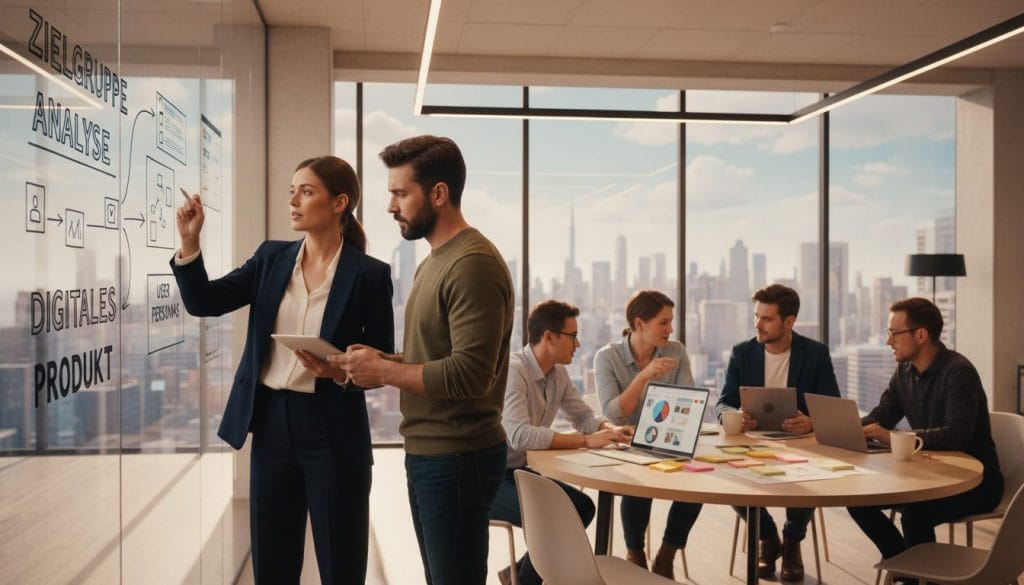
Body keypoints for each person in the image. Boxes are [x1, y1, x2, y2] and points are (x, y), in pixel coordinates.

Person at [171, 156, 394, 585]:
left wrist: (340, 371)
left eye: (306, 191)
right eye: (292, 189)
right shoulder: (271, 258)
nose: (293, 199)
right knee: (272, 564)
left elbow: (380, 360)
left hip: (333, 429)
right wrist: (189, 242)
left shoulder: (370, 275)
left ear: (338, 203)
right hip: (271, 422)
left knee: (341, 565)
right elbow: (204, 302)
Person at [336, 135, 515, 585]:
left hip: (458, 456)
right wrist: (373, 362)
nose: (390, 206)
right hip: (432, 452)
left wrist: (384, 371)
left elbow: (471, 374)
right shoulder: (434, 261)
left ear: (438, 193)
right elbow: (432, 358)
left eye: (400, 193)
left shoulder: (472, 264)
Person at [847, 297, 1003, 566]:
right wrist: (843, 427)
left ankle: (919, 576)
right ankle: (909, 572)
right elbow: (882, 416)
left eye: (893, 333)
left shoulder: (958, 372)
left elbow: (956, 435)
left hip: (976, 483)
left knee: (915, 516)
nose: (888, 341)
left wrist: (892, 437)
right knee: (856, 500)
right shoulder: (904, 371)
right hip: (926, 476)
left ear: (921, 334)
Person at [490, 300, 633, 585]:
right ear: (548, 337)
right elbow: (519, 435)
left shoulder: (557, 372)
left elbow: (581, 415)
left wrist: (611, 429)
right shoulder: (514, 370)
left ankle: (517, 575)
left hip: (521, 473)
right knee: (558, 517)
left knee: (581, 508)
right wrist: (585, 441)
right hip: (489, 479)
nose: (577, 344)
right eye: (572, 336)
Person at [713, 283, 840, 581]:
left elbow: (832, 405)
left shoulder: (816, 354)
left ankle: (793, 541)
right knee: (725, 474)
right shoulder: (742, 353)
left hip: (802, 444)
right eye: (756, 316)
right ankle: (768, 537)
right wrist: (733, 416)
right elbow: (722, 402)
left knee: (813, 475)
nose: (758, 324)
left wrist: (811, 422)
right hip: (752, 443)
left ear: (789, 321)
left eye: (766, 318)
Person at [593, 289, 703, 579]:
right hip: (625, 444)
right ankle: (635, 552)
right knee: (637, 481)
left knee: (697, 482)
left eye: (671, 322)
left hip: (668, 440)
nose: (670, 329)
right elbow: (614, 414)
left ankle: (667, 554)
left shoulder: (675, 351)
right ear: (639, 323)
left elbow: (689, 400)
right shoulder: (607, 357)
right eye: (663, 323)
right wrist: (643, 376)